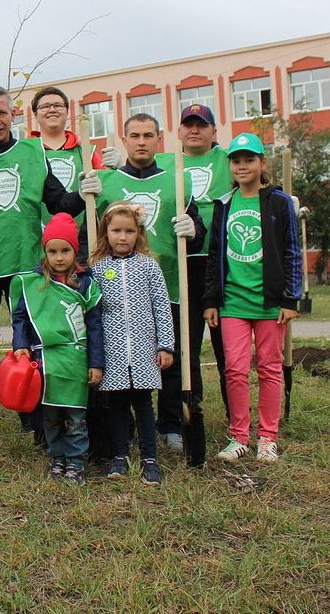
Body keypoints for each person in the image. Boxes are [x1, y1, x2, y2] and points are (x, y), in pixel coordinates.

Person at [0, 85, 102, 454]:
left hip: (29, 268)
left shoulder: (32, 153)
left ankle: (40, 423)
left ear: (13, 114)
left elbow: (59, 203)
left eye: (2, 112)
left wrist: (84, 190)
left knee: (36, 345)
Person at [94, 113, 205, 453]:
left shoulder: (176, 180)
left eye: (148, 135)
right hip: (119, 292)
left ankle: (169, 423)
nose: (141, 141)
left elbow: (198, 237)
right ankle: (125, 425)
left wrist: (194, 230)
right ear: (123, 140)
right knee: (120, 357)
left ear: (159, 140)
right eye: (134, 135)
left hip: (170, 284)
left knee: (170, 356)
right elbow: (92, 236)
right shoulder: (107, 183)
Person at [204, 133, 302, 464]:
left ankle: (268, 438)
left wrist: (290, 298)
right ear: (229, 165)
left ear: (262, 163)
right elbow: (215, 254)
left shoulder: (279, 202)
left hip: (270, 303)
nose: (242, 166)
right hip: (232, 301)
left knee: (270, 368)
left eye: (249, 159)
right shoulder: (224, 203)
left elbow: (291, 251)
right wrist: (210, 299)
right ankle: (239, 436)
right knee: (234, 368)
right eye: (236, 160)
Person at [9, 213, 104, 485]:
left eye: (65, 250)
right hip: (45, 360)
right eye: (52, 251)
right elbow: (21, 318)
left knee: (75, 416)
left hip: (75, 360)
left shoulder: (86, 283)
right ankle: (57, 458)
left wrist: (96, 363)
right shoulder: (34, 283)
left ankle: (76, 462)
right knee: (50, 415)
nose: (59, 257)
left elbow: (95, 326)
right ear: (45, 251)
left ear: (75, 250)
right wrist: (21, 345)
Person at [90, 202, 174, 485]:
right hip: (113, 352)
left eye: (129, 231)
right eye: (116, 231)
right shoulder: (99, 269)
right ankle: (119, 455)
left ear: (138, 233)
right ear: (106, 233)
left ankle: (150, 457)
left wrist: (166, 345)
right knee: (116, 406)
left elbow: (162, 307)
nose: (122, 237)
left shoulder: (148, 266)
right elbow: (94, 313)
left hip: (143, 350)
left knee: (143, 404)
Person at [160, 103, 231, 417]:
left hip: (221, 262)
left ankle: (235, 411)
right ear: (179, 132)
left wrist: (282, 201)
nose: (194, 130)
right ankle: (189, 408)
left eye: (201, 125)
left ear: (213, 130)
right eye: (188, 124)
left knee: (226, 343)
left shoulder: (228, 160)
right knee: (184, 342)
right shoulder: (166, 162)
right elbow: (137, 175)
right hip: (181, 264)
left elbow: (258, 181)